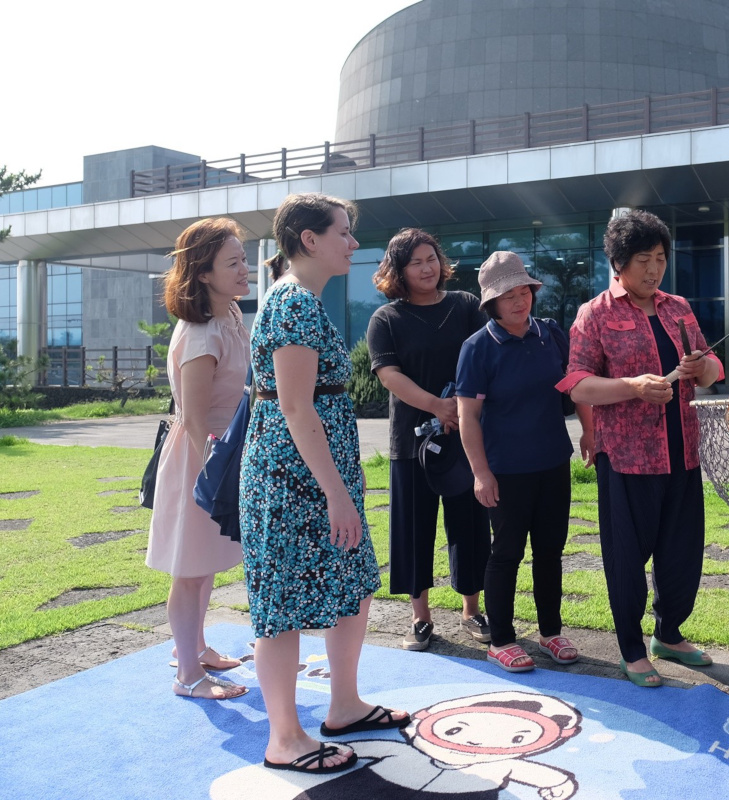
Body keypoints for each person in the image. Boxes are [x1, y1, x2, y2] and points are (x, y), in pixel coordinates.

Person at [240, 193, 408, 775]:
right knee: (283, 604)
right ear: (309, 239)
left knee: (353, 580)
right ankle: (284, 737)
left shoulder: (303, 301)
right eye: (343, 232)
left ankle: (344, 704)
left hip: (317, 476)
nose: (353, 243)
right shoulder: (292, 303)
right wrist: (337, 491)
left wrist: (343, 484)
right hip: (291, 484)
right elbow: (293, 408)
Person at [557, 210, 724, 688]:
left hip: (683, 454)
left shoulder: (677, 308)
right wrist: (632, 386)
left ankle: (668, 634)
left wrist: (702, 369)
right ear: (618, 262)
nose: (654, 270)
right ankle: (632, 648)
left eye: (660, 259)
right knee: (627, 560)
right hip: (627, 459)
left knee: (682, 555)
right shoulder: (596, 314)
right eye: (643, 260)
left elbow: (711, 364)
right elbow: (577, 384)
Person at [366, 228, 491, 651]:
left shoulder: (466, 306)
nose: (427, 267)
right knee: (414, 531)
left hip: (466, 436)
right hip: (412, 442)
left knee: (471, 527)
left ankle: (472, 610)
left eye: (432, 258)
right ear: (398, 271)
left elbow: (484, 355)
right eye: (416, 262)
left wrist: (461, 407)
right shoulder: (386, 319)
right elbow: (389, 375)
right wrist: (437, 407)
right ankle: (421, 619)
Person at [456, 251, 579, 673]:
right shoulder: (477, 348)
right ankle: (502, 639)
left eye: (524, 290)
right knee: (506, 553)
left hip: (552, 463)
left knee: (550, 551)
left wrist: (593, 436)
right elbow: (467, 417)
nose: (518, 299)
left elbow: (575, 390)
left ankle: (550, 631)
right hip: (505, 471)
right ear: (491, 301)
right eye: (508, 294)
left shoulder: (551, 335)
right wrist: (480, 473)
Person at [146, 217, 251, 701]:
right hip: (201, 458)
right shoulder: (201, 333)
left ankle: (197, 648)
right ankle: (188, 674)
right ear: (204, 273)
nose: (244, 269)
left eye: (243, 259)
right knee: (189, 571)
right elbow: (192, 419)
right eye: (233, 262)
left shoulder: (228, 318)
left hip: (220, 454)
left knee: (203, 565)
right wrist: (213, 477)